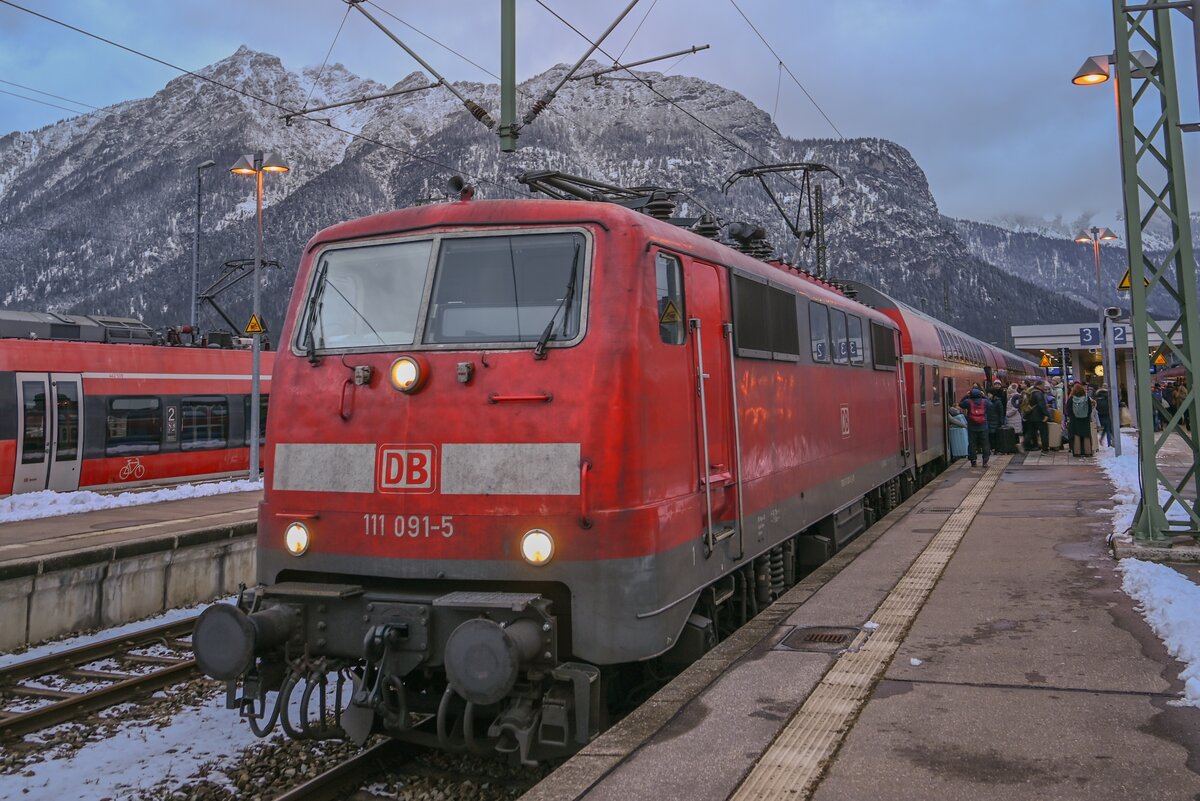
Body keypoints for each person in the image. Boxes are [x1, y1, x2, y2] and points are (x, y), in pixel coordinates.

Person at [959, 386, 992, 467]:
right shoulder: (985, 402)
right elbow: (991, 405)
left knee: (972, 444)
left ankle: (973, 461)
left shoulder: (968, 402)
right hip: (983, 426)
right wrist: (984, 396)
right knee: (985, 444)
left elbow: (960, 404)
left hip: (972, 427)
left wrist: (966, 395)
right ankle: (985, 461)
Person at [1066, 383, 1095, 457]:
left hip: (1075, 420)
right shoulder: (1086, 398)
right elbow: (1090, 410)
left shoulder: (1071, 399)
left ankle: (1077, 452)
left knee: (1076, 435)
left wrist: (1072, 416)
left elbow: (1068, 410)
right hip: (1085, 420)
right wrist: (1086, 416)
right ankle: (1088, 452)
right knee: (1086, 436)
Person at [1029, 382, 1050, 453]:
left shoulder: (1031, 392)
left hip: (1031, 416)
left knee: (1033, 432)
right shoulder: (1039, 393)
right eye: (1043, 385)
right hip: (1039, 416)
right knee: (1044, 432)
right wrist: (1047, 414)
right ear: (1040, 385)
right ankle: (1045, 449)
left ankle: (1034, 446)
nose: (1044, 387)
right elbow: (1041, 405)